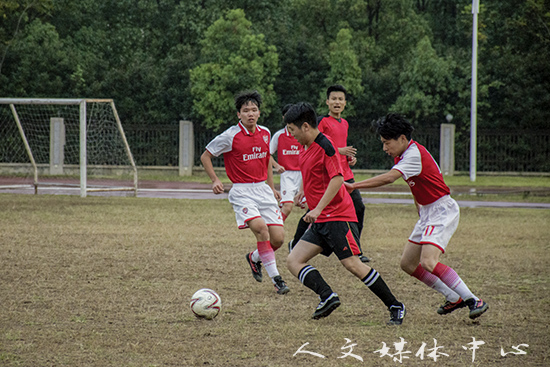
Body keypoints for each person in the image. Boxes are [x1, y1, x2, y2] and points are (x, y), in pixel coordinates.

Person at [345, 113, 488, 320]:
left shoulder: (413, 154)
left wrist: (354, 185)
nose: (384, 148)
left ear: (402, 139)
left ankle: (473, 300)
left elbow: (390, 178)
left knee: (428, 261)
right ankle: (452, 297)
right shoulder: (401, 155)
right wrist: (419, 208)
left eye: (387, 143)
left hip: (442, 210)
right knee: (408, 264)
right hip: (428, 211)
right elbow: (414, 183)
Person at [284, 102, 406, 325]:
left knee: (353, 265)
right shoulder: (307, 148)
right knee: (294, 260)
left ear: (304, 126)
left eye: (292, 130)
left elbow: (338, 178)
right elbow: (313, 176)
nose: (291, 136)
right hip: (321, 218)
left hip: (338, 216)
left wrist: (318, 207)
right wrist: (304, 194)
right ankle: (327, 296)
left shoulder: (325, 146)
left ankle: (395, 305)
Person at [200, 90, 290, 295]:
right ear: (238, 114)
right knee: (261, 229)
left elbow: (266, 160)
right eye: (246, 110)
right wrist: (215, 179)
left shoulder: (265, 133)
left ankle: (255, 258)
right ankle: (277, 280)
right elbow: (206, 156)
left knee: (278, 239)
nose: (250, 113)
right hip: (242, 190)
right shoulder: (230, 136)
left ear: (259, 113)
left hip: (263, 190)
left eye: (254, 110)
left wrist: (272, 187)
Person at [288, 85, 369, 263]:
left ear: (345, 103)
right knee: (314, 210)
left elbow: (336, 148)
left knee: (359, 207)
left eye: (341, 99)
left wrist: (348, 158)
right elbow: (319, 146)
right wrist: (340, 151)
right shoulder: (322, 122)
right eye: (333, 99)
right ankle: (296, 242)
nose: (337, 102)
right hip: (328, 175)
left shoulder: (345, 123)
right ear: (327, 102)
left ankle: (355, 246)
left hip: (344, 173)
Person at [269, 104, 305, 223]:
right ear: (284, 118)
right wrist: (277, 165)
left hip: (304, 175)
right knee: (288, 207)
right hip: (288, 176)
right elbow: (267, 154)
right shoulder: (279, 135)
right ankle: (275, 228)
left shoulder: (304, 134)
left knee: (312, 207)